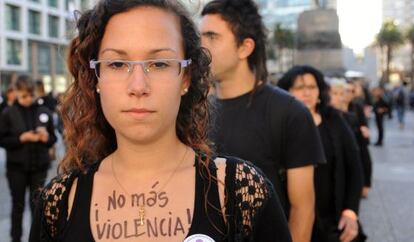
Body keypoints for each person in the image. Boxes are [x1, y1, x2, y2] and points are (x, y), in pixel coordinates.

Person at [29, 1, 292, 241]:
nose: (138, 86)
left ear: (186, 78)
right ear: (96, 78)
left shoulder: (240, 193)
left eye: (159, 64)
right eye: (118, 64)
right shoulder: (60, 202)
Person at [200, 1, 325, 241]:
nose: (201, 45)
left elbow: (303, 209)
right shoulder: (195, 112)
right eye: (200, 36)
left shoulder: (290, 112)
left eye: (212, 37)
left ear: (245, 47)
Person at [278, 66, 365, 242]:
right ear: (286, 92)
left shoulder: (334, 120)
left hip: (333, 221)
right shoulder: (279, 125)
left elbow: (355, 167)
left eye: (311, 87)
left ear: (319, 91)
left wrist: (350, 212)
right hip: (291, 220)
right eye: (299, 88)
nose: (307, 93)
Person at [0, 75, 57, 242]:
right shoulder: (8, 113)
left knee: (38, 207)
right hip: (17, 167)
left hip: (39, 166)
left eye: (31, 95)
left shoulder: (43, 111)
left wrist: (46, 138)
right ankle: (15, 238)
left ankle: (38, 238)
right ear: (16, 93)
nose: (28, 99)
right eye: (24, 96)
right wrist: (21, 138)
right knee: (18, 205)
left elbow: (53, 138)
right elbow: (2, 139)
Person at [342, 81, 373, 198]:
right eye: (346, 90)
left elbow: (364, 124)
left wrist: (366, 184)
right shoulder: (332, 109)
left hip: (357, 142)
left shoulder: (356, 106)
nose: (349, 94)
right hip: (342, 147)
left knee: (363, 162)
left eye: (352, 91)